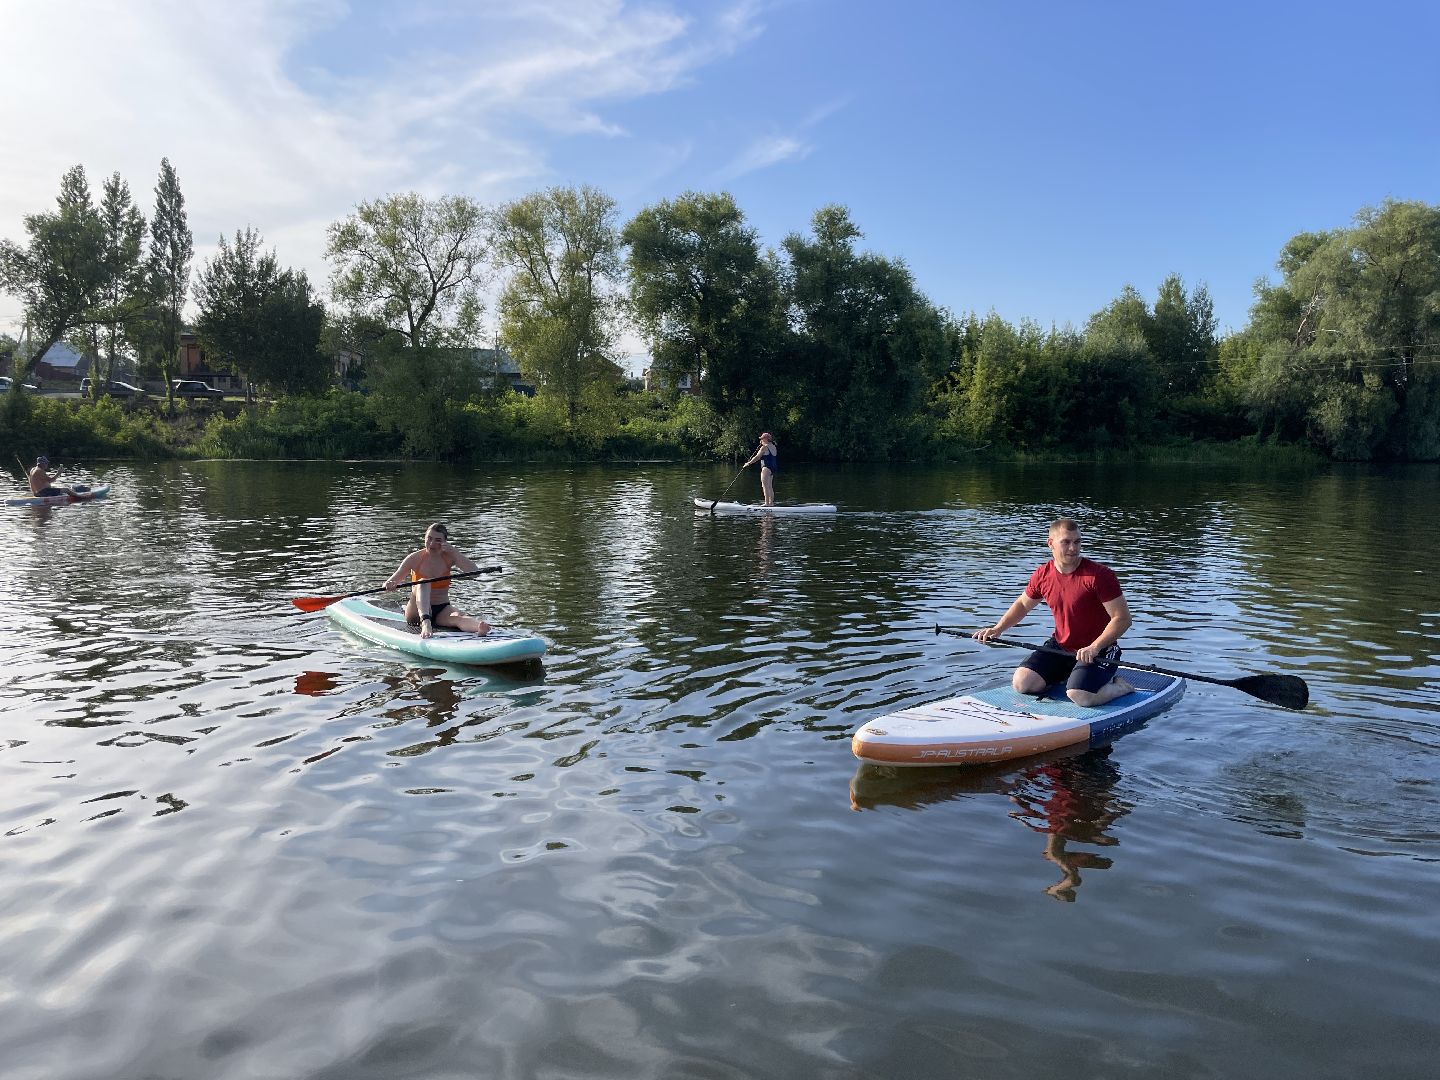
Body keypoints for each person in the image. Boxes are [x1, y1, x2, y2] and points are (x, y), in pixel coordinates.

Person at [973, 516, 1134, 707]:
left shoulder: (1099, 576)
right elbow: (1023, 605)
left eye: (1077, 542)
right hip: (1062, 647)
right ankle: (1074, 674)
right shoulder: (1043, 574)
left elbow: (1122, 619)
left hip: (1100, 650)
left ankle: (1120, 687)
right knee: (1022, 683)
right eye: (1066, 542)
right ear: (1051, 544)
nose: (1073, 548)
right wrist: (998, 629)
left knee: (1080, 696)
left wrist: (1095, 647)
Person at [382, 523, 492, 639]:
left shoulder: (449, 557)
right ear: (425, 538)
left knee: (457, 616)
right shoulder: (414, 559)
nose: (432, 544)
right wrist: (389, 585)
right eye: (429, 538)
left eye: (438, 540)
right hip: (416, 611)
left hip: (441, 609)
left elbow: (475, 573)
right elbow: (387, 584)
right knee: (424, 582)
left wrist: (455, 553)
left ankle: (479, 627)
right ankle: (425, 622)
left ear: (445, 542)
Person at [742, 431, 778, 506]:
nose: (761, 440)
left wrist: (748, 463)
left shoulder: (764, 447)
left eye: (762, 438)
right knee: (770, 486)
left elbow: (757, 457)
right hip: (773, 468)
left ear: (766, 439)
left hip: (766, 468)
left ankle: (766, 503)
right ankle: (771, 503)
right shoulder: (774, 446)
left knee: (765, 486)